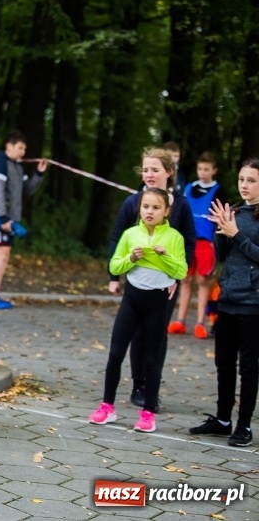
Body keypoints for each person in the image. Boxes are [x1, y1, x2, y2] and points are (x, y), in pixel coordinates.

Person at [90, 188, 187, 433]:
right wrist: (131, 259)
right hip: (132, 299)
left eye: (156, 207)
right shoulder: (131, 234)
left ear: (166, 211)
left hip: (157, 302)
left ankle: (148, 413)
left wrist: (165, 257)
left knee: (152, 358)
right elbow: (115, 264)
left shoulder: (174, 237)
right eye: (146, 207)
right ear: (139, 209)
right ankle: (107, 406)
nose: (150, 212)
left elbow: (181, 271)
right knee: (115, 352)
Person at [108, 148, 196, 408]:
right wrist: (113, 275)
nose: (149, 174)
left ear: (169, 173)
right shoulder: (134, 202)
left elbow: (188, 243)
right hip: (137, 281)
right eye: (145, 169)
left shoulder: (181, 205)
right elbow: (117, 237)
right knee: (136, 333)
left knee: (156, 335)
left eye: (155, 169)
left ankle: (151, 389)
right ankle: (139, 385)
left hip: (166, 283)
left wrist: (177, 277)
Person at [189, 159, 259, 448]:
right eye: (242, 179)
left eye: (252, 180)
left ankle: (243, 426)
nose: (244, 185)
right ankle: (222, 419)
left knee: (249, 367)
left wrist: (237, 234)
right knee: (224, 363)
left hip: (253, 304)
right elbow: (222, 254)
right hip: (228, 298)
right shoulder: (235, 212)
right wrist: (220, 230)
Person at [0, 131, 48, 309]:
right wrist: (2, 218)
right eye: (20, 148)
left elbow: (27, 190)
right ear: (9, 146)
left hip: (10, 218)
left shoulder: (18, 167)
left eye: (25, 149)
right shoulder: (0, 162)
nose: (23, 152)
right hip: (0, 218)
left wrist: (39, 174)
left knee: (4, 256)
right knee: (1, 255)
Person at [167, 152, 226, 339]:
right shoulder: (188, 188)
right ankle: (180, 320)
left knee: (203, 281)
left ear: (214, 170)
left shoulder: (218, 191)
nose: (203, 172)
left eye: (207, 169)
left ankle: (200, 322)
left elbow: (222, 219)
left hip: (206, 243)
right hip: (185, 241)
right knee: (184, 280)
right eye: (200, 168)